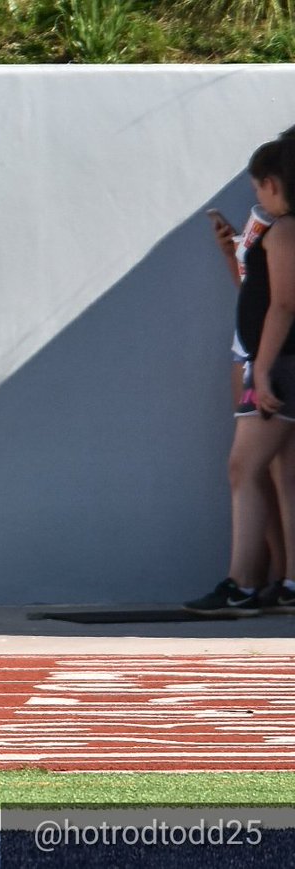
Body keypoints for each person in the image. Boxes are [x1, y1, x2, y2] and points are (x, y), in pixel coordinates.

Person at [186, 137, 295, 616]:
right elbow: (262, 295)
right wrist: (235, 256)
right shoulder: (282, 232)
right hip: (278, 365)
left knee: (243, 469)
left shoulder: (285, 230)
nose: (258, 198)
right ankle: (286, 582)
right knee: (280, 474)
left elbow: (284, 305)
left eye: (258, 189)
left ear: (271, 183)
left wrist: (263, 371)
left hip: (279, 367)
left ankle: (244, 584)